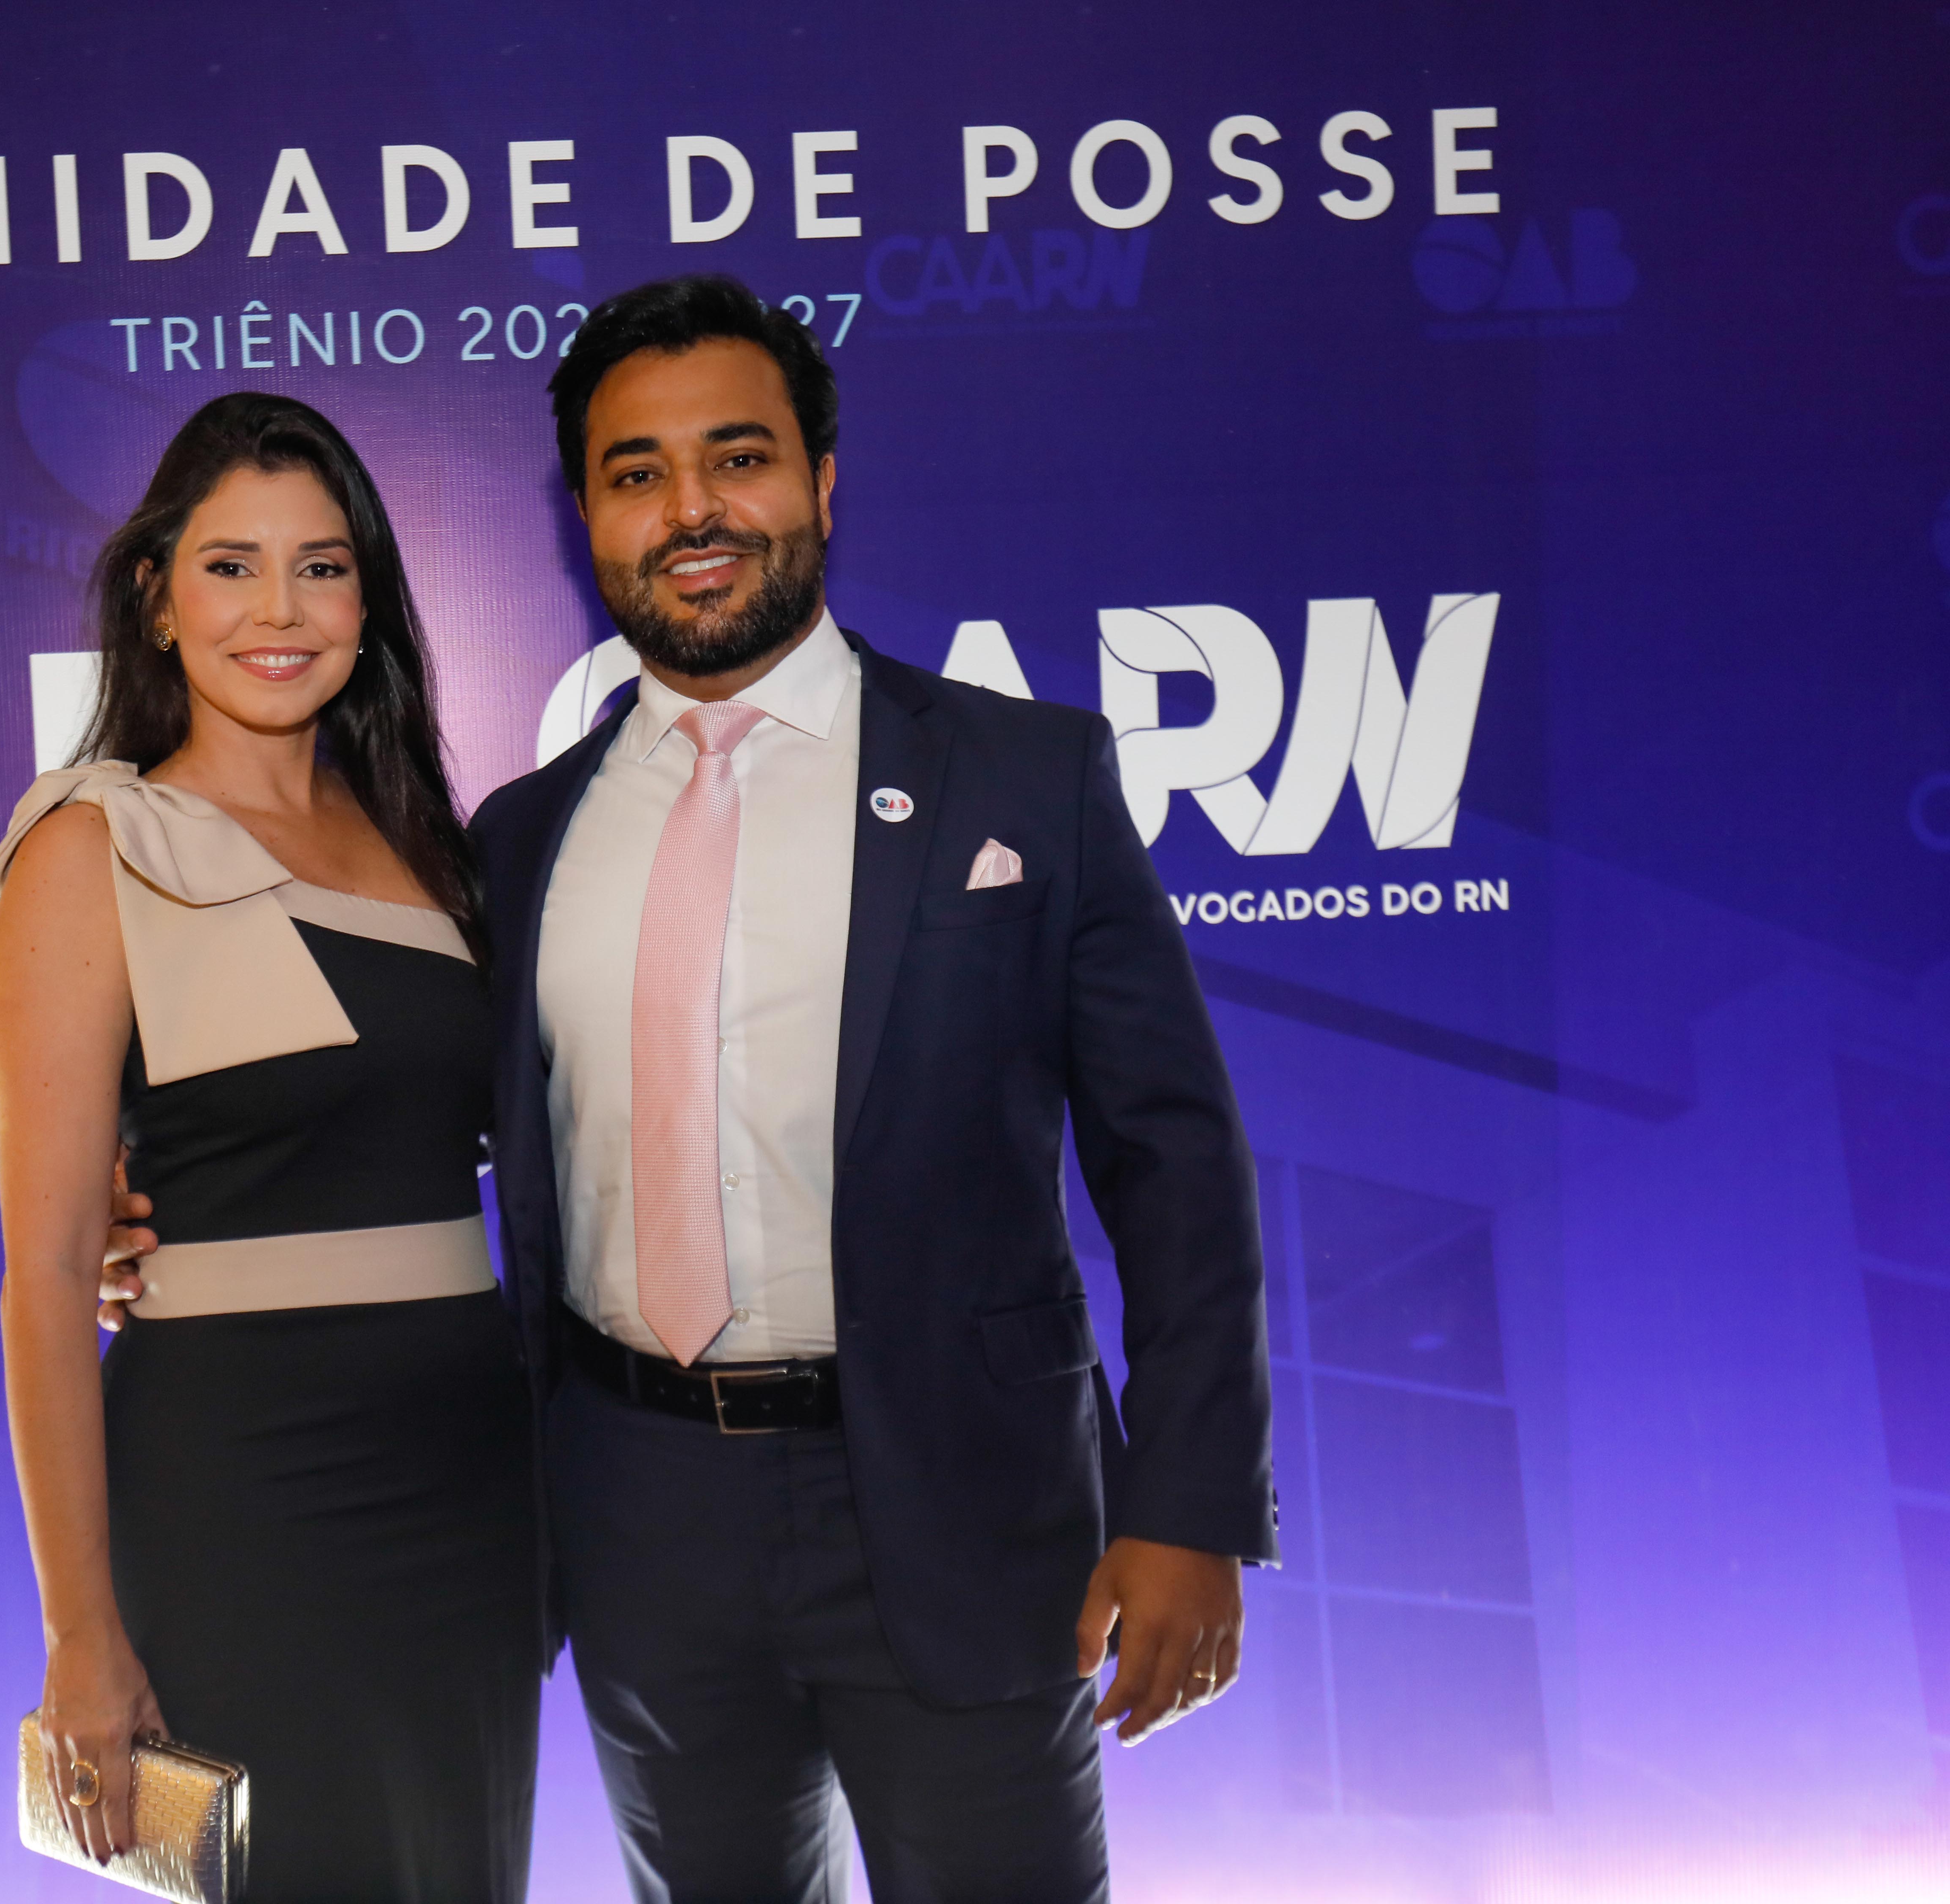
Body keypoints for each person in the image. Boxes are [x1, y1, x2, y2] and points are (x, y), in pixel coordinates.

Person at [107, 275, 1276, 1903]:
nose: (693, 510)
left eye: (739, 457)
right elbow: (399, 1101)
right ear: (585, 513)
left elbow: (1177, 1162)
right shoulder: (516, 839)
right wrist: (157, 1202)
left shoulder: (1025, 777)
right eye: (637, 473)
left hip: (964, 1498)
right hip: (637, 1515)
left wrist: (1191, 1503)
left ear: (821, 481)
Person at [0, 391, 540, 1903]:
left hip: (472, 1483)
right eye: (231, 566)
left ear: (370, 602)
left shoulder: (427, 843)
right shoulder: (90, 848)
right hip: (243, 1486)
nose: (278, 611)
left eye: (321, 567)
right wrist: (81, 1634)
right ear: (156, 599)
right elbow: (48, 1281)